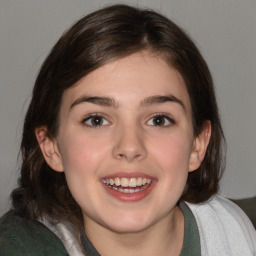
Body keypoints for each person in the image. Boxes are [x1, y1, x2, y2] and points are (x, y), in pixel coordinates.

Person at [0, 4, 255, 256]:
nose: (130, 147)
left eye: (158, 120)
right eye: (97, 120)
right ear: (52, 147)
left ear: (198, 144)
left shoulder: (235, 232)